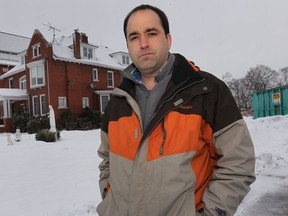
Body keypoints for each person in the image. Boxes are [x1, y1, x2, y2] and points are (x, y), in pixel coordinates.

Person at [97, 4, 255, 216]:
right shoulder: (118, 100)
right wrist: (109, 201)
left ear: (168, 39)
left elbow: (238, 162)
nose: (143, 43)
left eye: (151, 33)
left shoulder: (206, 91)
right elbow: (107, 161)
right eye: (134, 37)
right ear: (127, 45)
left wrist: (211, 212)